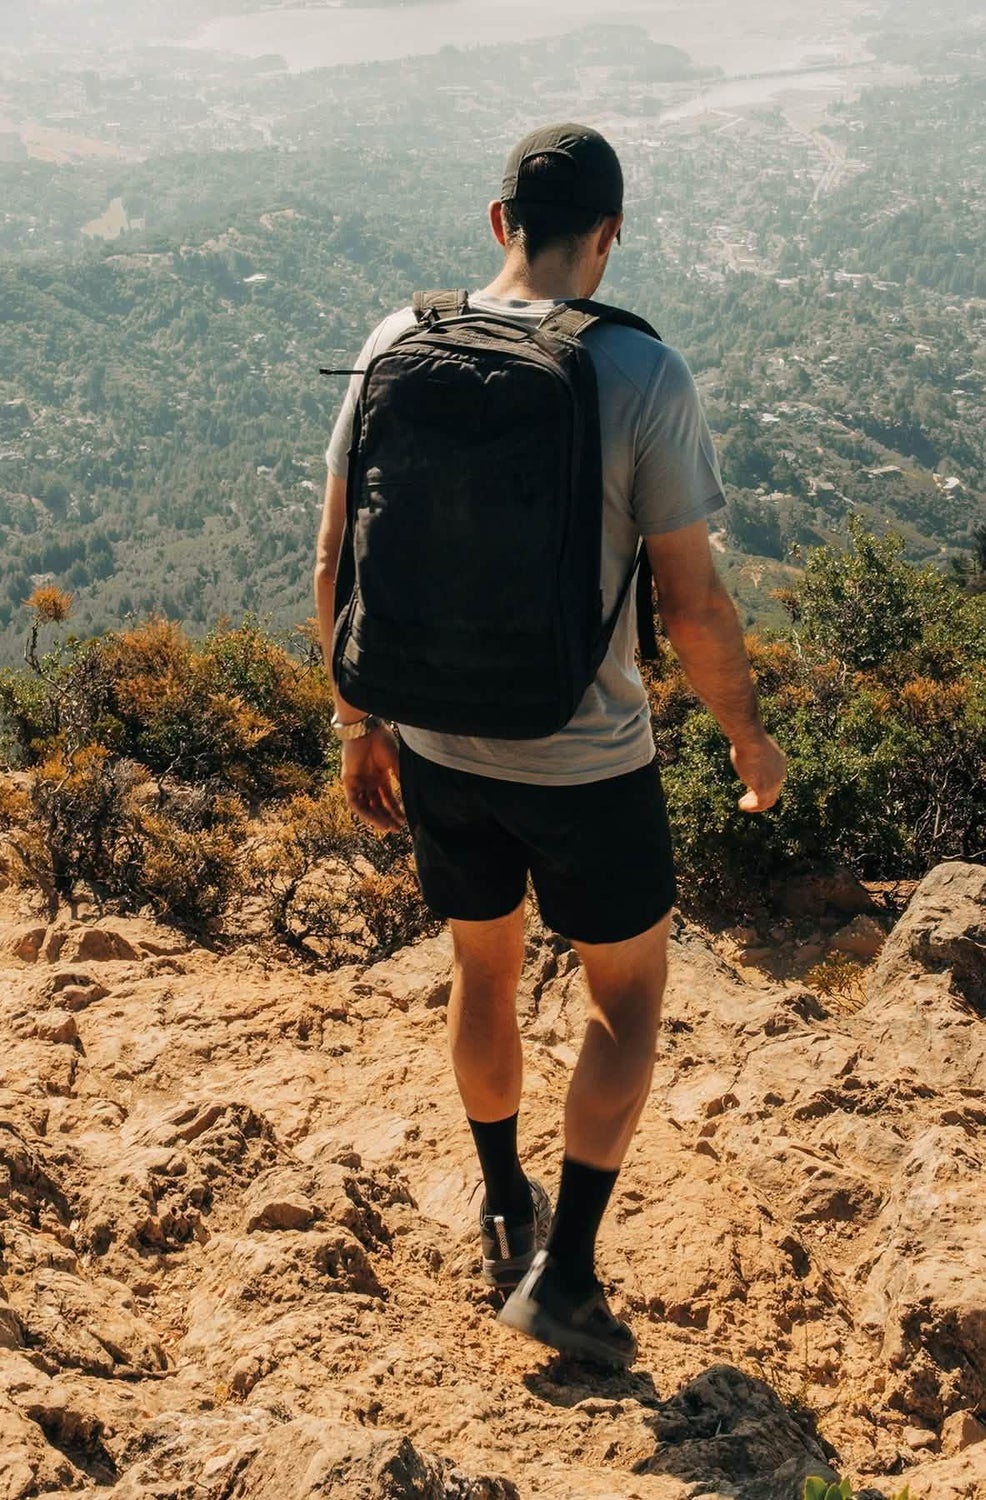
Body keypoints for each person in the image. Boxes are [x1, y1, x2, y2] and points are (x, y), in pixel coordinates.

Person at [314, 123, 787, 1368]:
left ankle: (500, 1200)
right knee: (624, 997)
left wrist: (360, 724)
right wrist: (749, 739)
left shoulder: (392, 342)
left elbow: (335, 560)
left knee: (483, 972)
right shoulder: (641, 373)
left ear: (497, 223)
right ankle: (566, 1273)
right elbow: (693, 605)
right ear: (611, 233)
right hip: (583, 761)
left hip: (433, 743)